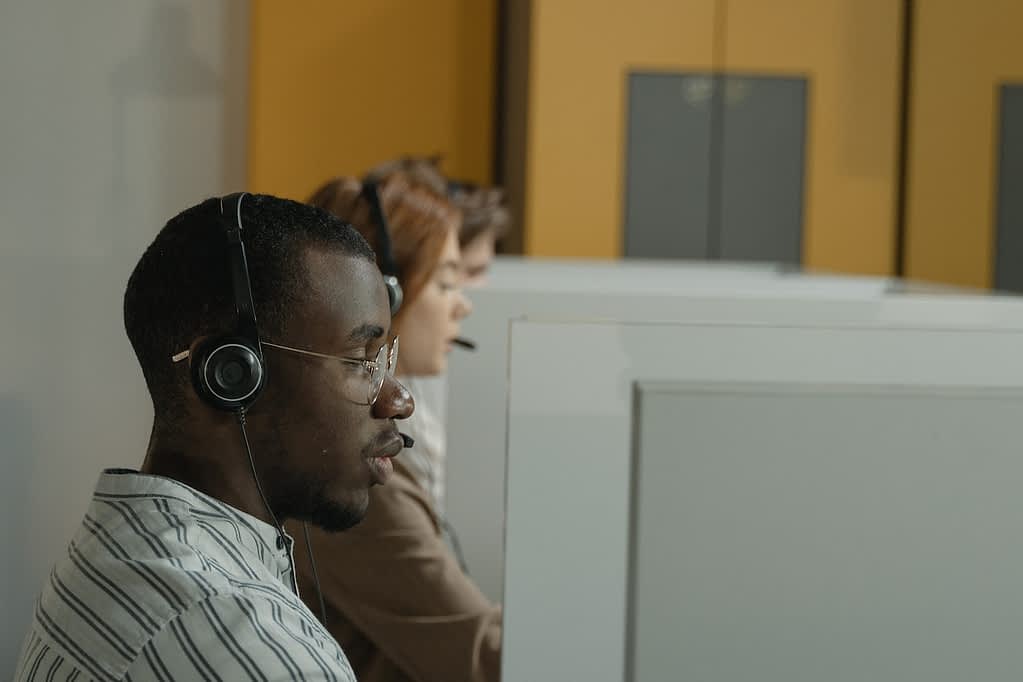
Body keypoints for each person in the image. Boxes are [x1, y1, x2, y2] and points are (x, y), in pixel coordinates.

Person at [14, 193, 414, 681]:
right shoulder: (249, 645)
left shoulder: (114, 553)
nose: (398, 400)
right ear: (230, 374)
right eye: (358, 361)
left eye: (383, 359)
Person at [293, 169, 499, 682]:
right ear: (383, 293)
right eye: (447, 281)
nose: (464, 304)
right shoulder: (354, 470)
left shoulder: (354, 438)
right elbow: (479, 655)